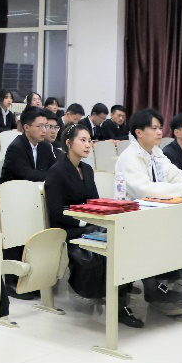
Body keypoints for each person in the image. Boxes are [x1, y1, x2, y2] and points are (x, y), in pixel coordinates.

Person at [45, 124, 141, 327]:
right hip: (69, 229)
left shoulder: (87, 169)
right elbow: (55, 212)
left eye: (89, 140)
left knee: (123, 235)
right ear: (68, 143)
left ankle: (120, 293)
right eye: (82, 140)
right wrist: (84, 220)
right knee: (109, 239)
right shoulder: (56, 171)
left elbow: (93, 202)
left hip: (88, 224)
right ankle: (115, 300)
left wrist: (100, 215)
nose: (88, 145)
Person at [114, 108, 182, 314]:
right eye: (153, 128)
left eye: (159, 128)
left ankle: (173, 286)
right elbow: (144, 189)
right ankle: (156, 290)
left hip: (155, 214)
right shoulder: (129, 157)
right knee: (168, 236)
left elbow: (174, 174)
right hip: (132, 219)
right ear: (139, 132)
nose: (159, 132)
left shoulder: (156, 153)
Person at [0, 106, 55, 181]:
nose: (44, 130)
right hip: (13, 187)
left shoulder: (45, 146)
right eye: (40, 126)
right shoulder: (16, 148)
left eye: (46, 126)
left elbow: (55, 168)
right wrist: (53, 176)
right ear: (26, 127)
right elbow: (28, 175)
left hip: (37, 186)